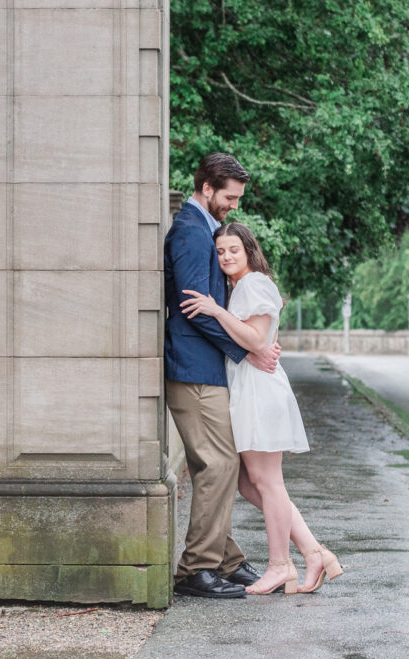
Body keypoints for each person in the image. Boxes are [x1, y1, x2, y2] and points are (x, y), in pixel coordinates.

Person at [180, 223, 343, 595]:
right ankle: (312, 551)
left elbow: (255, 339)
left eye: (233, 249)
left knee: (267, 483)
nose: (226, 257)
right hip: (249, 387)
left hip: (259, 391)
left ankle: (280, 566)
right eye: (220, 251)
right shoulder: (243, 285)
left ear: (249, 249)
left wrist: (215, 312)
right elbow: (259, 338)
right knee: (247, 481)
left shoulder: (253, 283)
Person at [164, 154, 280, 599]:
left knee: (216, 464)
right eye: (230, 197)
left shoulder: (206, 230)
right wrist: (245, 349)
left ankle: (226, 560)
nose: (234, 206)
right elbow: (196, 308)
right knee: (220, 464)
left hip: (205, 368)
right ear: (207, 188)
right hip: (194, 369)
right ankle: (196, 570)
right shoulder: (193, 233)